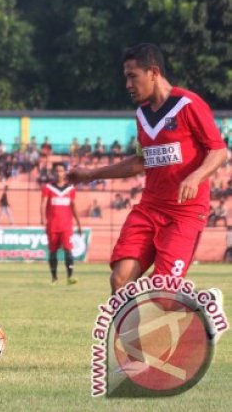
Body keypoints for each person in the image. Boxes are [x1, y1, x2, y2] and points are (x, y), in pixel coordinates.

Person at [69, 43, 228, 293]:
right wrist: (91, 174)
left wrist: (195, 177)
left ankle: (202, 310)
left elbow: (218, 151)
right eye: (126, 78)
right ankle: (129, 334)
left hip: (184, 214)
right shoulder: (142, 114)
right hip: (149, 209)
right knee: (120, 280)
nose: (128, 85)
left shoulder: (189, 104)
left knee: (162, 293)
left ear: (153, 72)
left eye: (133, 76)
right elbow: (140, 161)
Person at [40, 163, 82, 285]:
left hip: (66, 226)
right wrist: (42, 219)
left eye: (61, 171)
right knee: (52, 252)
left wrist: (79, 224)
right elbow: (43, 204)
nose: (59, 173)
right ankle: (54, 278)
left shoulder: (71, 189)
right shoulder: (48, 188)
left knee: (68, 251)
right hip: (52, 226)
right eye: (57, 171)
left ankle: (70, 277)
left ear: (65, 173)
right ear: (54, 173)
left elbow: (74, 207)